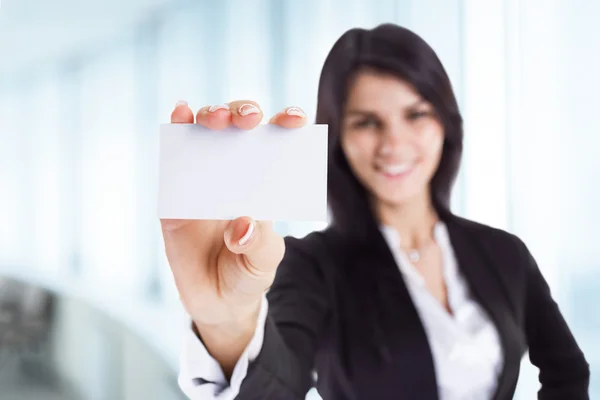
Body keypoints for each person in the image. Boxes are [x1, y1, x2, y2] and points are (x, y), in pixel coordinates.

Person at [162, 23, 589, 400]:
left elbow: (568, 372)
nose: (393, 144)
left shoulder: (504, 253)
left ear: (445, 124)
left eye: (416, 114)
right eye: (367, 122)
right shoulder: (313, 266)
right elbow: (279, 385)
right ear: (339, 140)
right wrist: (226, 323)